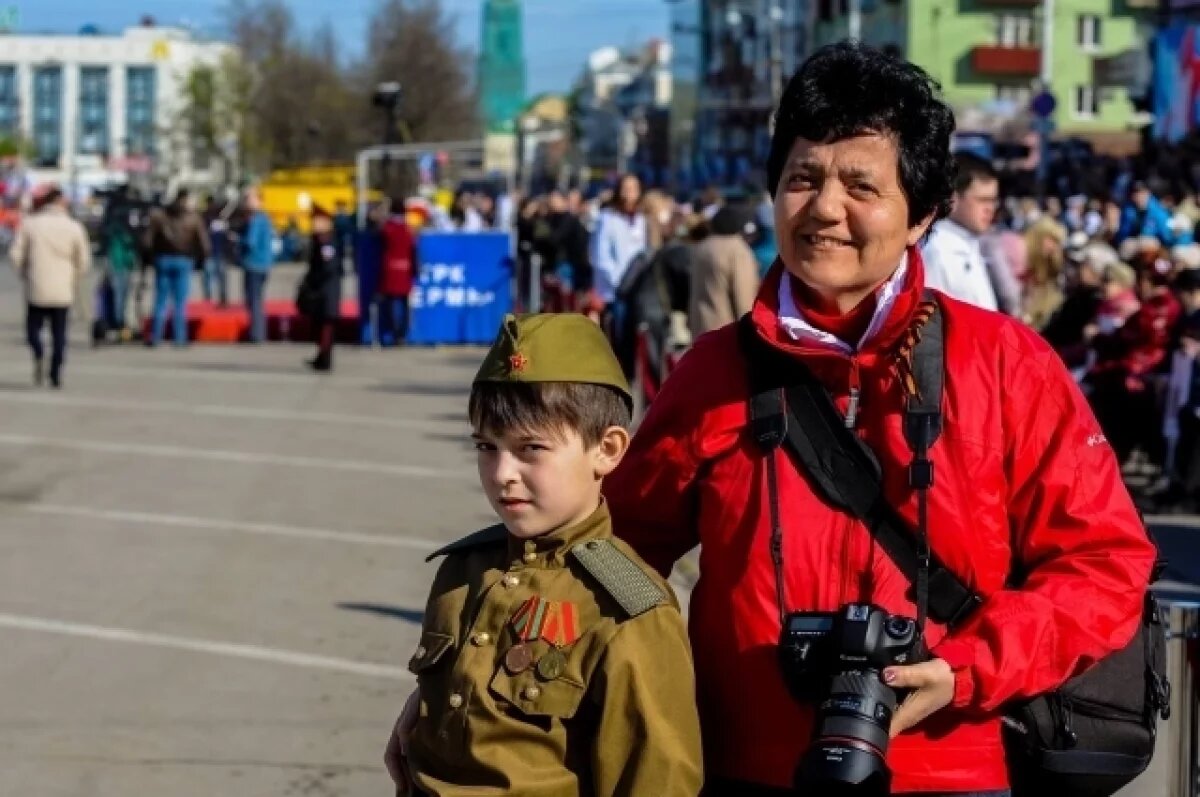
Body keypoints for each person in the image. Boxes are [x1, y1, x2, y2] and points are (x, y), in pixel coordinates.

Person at [604, 42, 1152, 795]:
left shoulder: (1004, 363)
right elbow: (613, 551)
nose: (825, 208)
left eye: (861, 184)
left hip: (952, 771)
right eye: (803, 178)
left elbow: (1105, 564)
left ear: (922, 213)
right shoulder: (713, 372)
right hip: (743, 768)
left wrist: (965, 668)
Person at [388, 313, 703, 797]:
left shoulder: (623, 608)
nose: (502, 473)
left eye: (531, 448)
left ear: (608, 449)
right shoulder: (464, 570)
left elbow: (656, 778)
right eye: (486, 447)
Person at [9, 186, 91, 387]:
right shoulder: (74, 227)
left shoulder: (30, 225)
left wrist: (24, 272)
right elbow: (84, 260)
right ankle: (55, 371)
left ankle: (38, 352)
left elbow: (15, 254)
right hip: (63, 288)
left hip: (37, 284)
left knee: (33, 328)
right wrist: (74, 276)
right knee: (59, 333)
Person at [921, 153, 1000, 310]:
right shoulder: (938, 251)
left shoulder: (969, 244)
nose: (990, 209)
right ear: (953, 199)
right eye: (982, 200)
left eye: (993, 200)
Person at [144, 189, 210, 347]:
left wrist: (149, 259)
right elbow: (205, 245)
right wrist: (201, 262)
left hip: (163, 259)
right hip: (184, 260)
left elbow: (147, 241)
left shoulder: (160, 216)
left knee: (160, 301)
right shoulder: (193, 218)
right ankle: (179, 338)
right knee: (180, 302)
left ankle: (155, 337)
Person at [687, 201, 761, 338]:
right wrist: (752, 334)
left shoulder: (701, 248)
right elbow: (743, 295)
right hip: (727, 333)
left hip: (700, 329)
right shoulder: (736, 249)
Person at [299, 206, 342, 372]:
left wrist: (313, 283)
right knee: (318, 325)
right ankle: (320, 356)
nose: (313, 224)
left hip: (326, 291)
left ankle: (325, 358)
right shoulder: (319, 240)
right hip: (321, 292)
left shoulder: (327, 242)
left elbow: (328, 267)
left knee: (326, 326)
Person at [380, 197, 418, 345]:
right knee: (403, 304)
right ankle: (402, 333)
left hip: (390, 271)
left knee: (393, 304)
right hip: (405, 270)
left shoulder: (388, 228)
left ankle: (395, 334)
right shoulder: (409, 229)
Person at [240, 190, 275, 343]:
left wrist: (238, 241)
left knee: (253, 300)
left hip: (253, 263)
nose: (246, 202)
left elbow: (250, 242)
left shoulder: (256, 220)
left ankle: (256, 334)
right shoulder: (266, 218)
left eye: (249, 199)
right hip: (265, 263)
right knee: (258, 300)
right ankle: (259, 331)